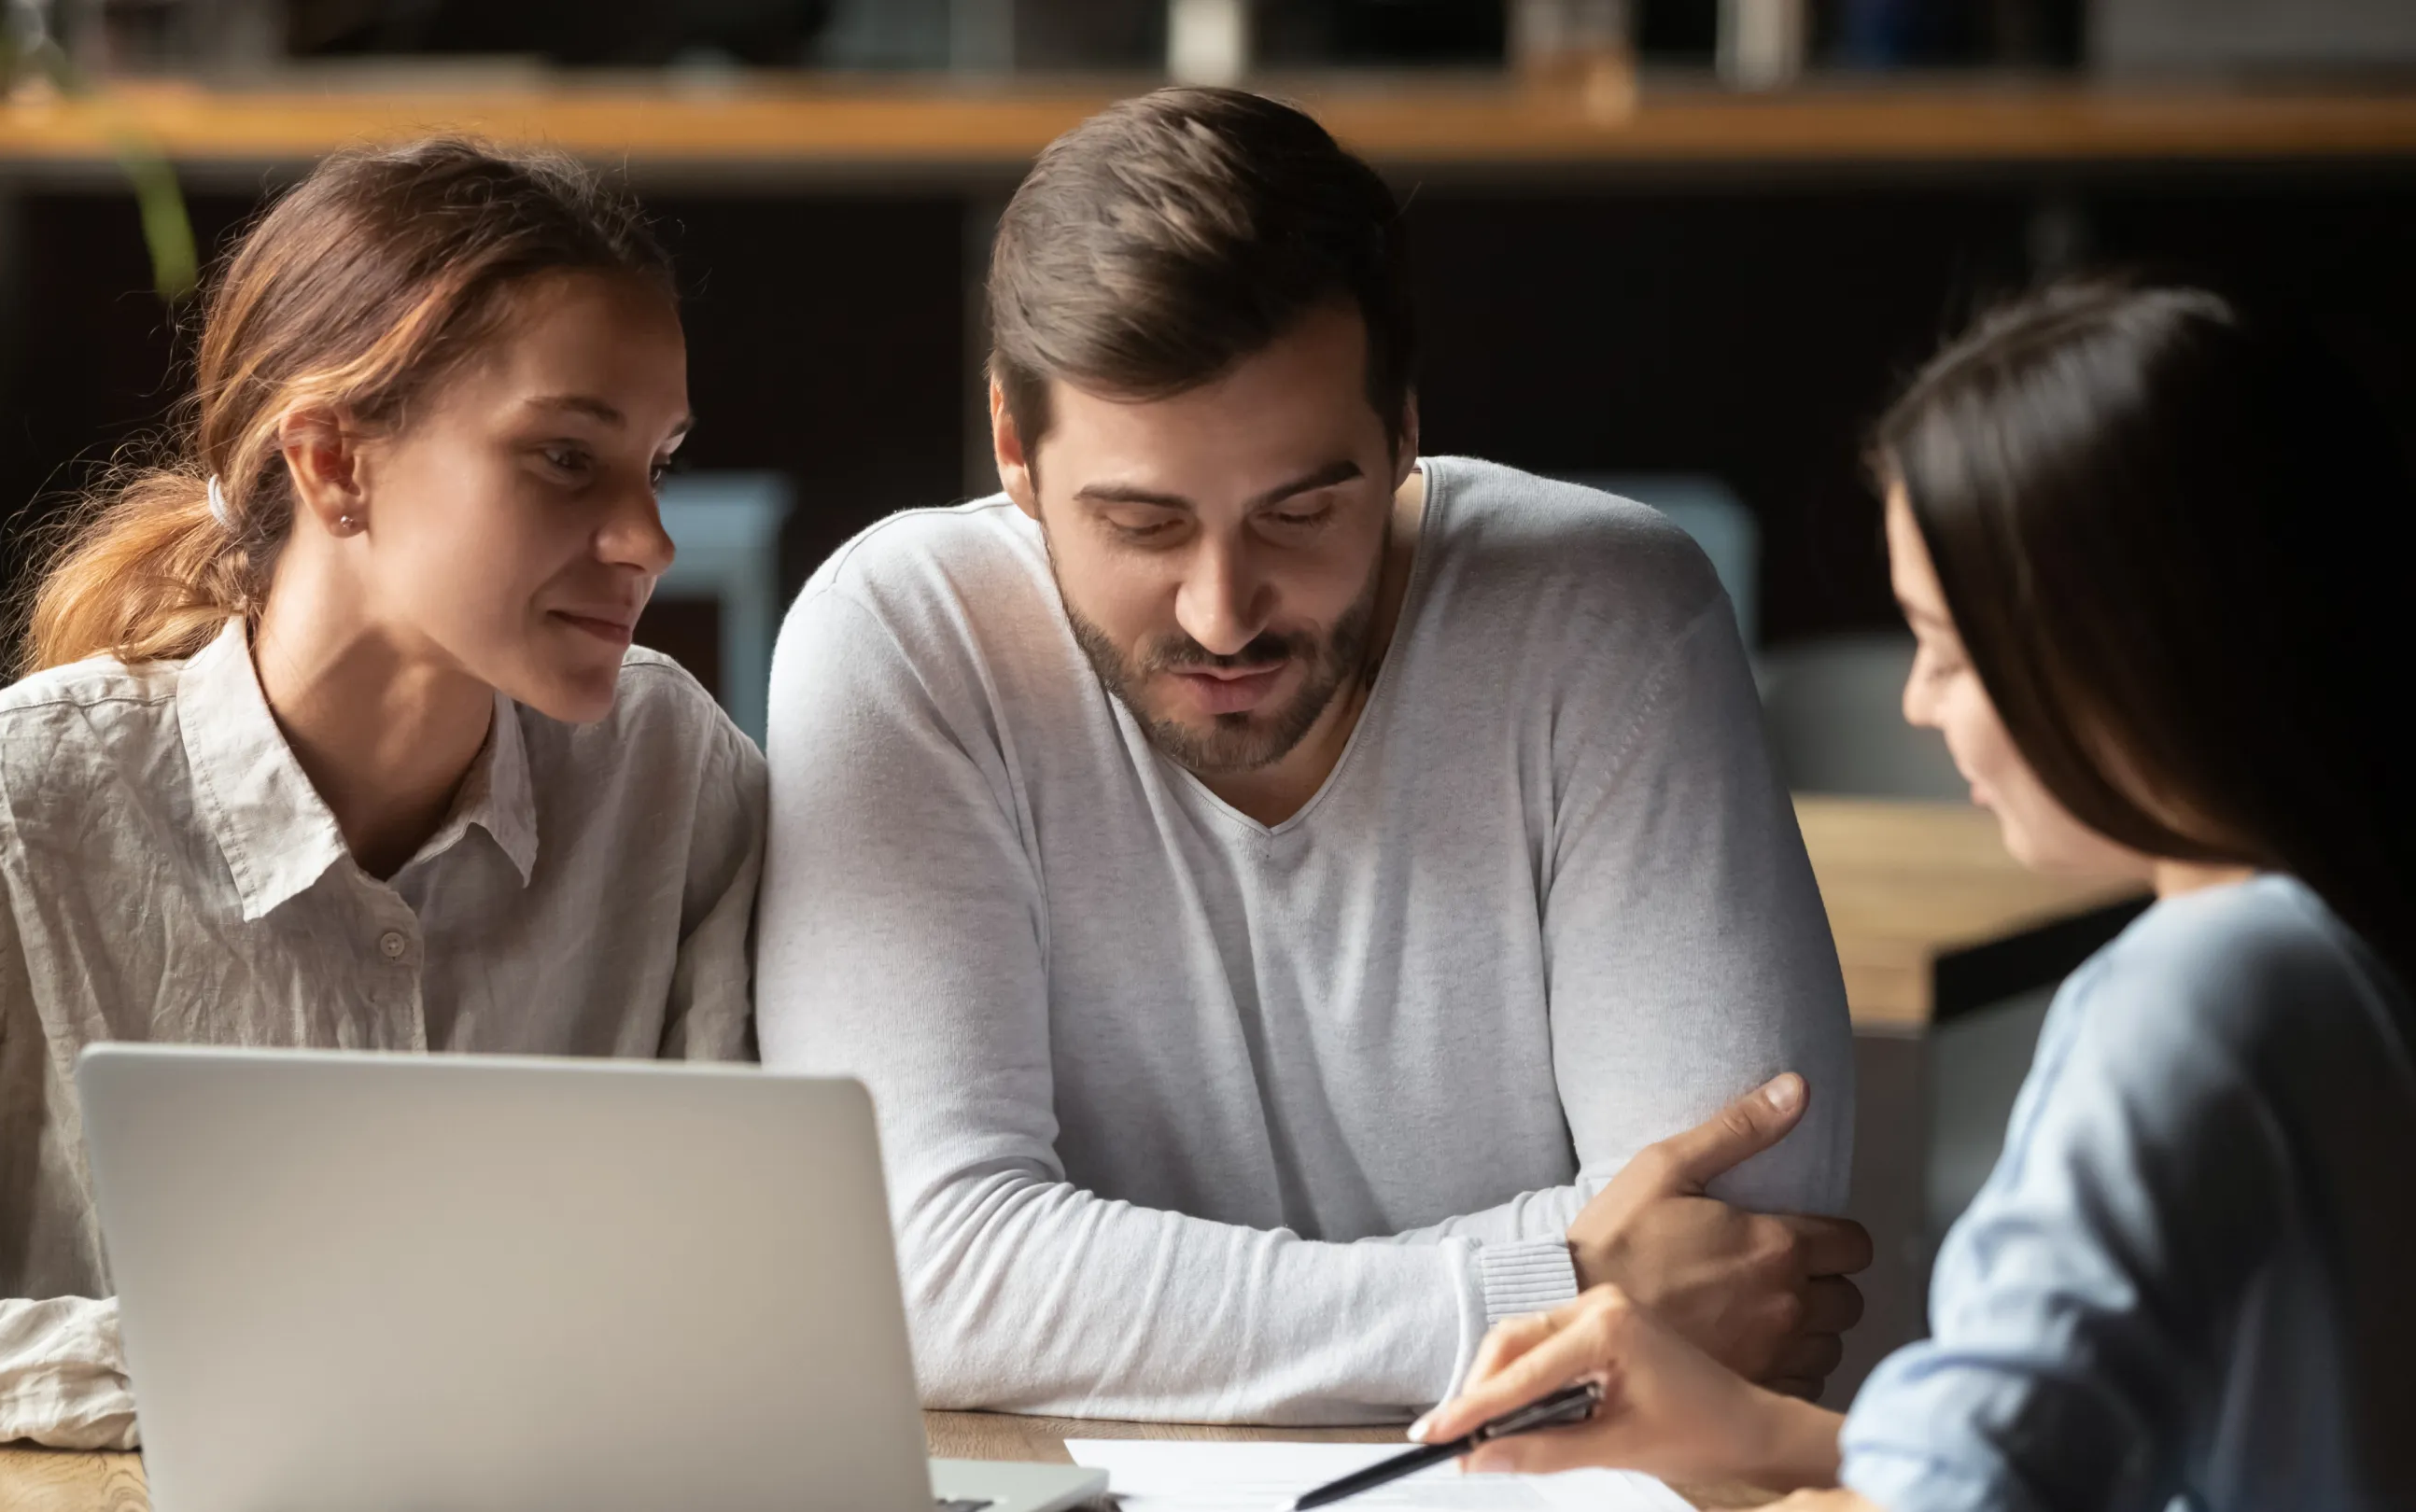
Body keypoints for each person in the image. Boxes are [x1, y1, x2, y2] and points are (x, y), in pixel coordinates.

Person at [755, 86, 1865, 1424]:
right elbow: (920, 1280)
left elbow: (1745, 1254)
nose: (1223, 613)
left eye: (1302, 510)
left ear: (1403, 430)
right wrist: (1540, 1286)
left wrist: (1104, 1309)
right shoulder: (907, 639)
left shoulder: (1607, 613)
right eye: (1143, 524)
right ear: (1015, 453)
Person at [1413, 281, 2416, 1509]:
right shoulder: (2335, 961)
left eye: (1952, 650)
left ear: (2125, 647)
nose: (1919, 703)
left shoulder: (2197, 993)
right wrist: (1754, 1435)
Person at [0, 139, 765, 1450]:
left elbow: (744, 1278)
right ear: (333, 463)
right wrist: (215, 1369)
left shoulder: (674, 776)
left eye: (659, 463)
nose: (649, 540)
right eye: (565, 461)